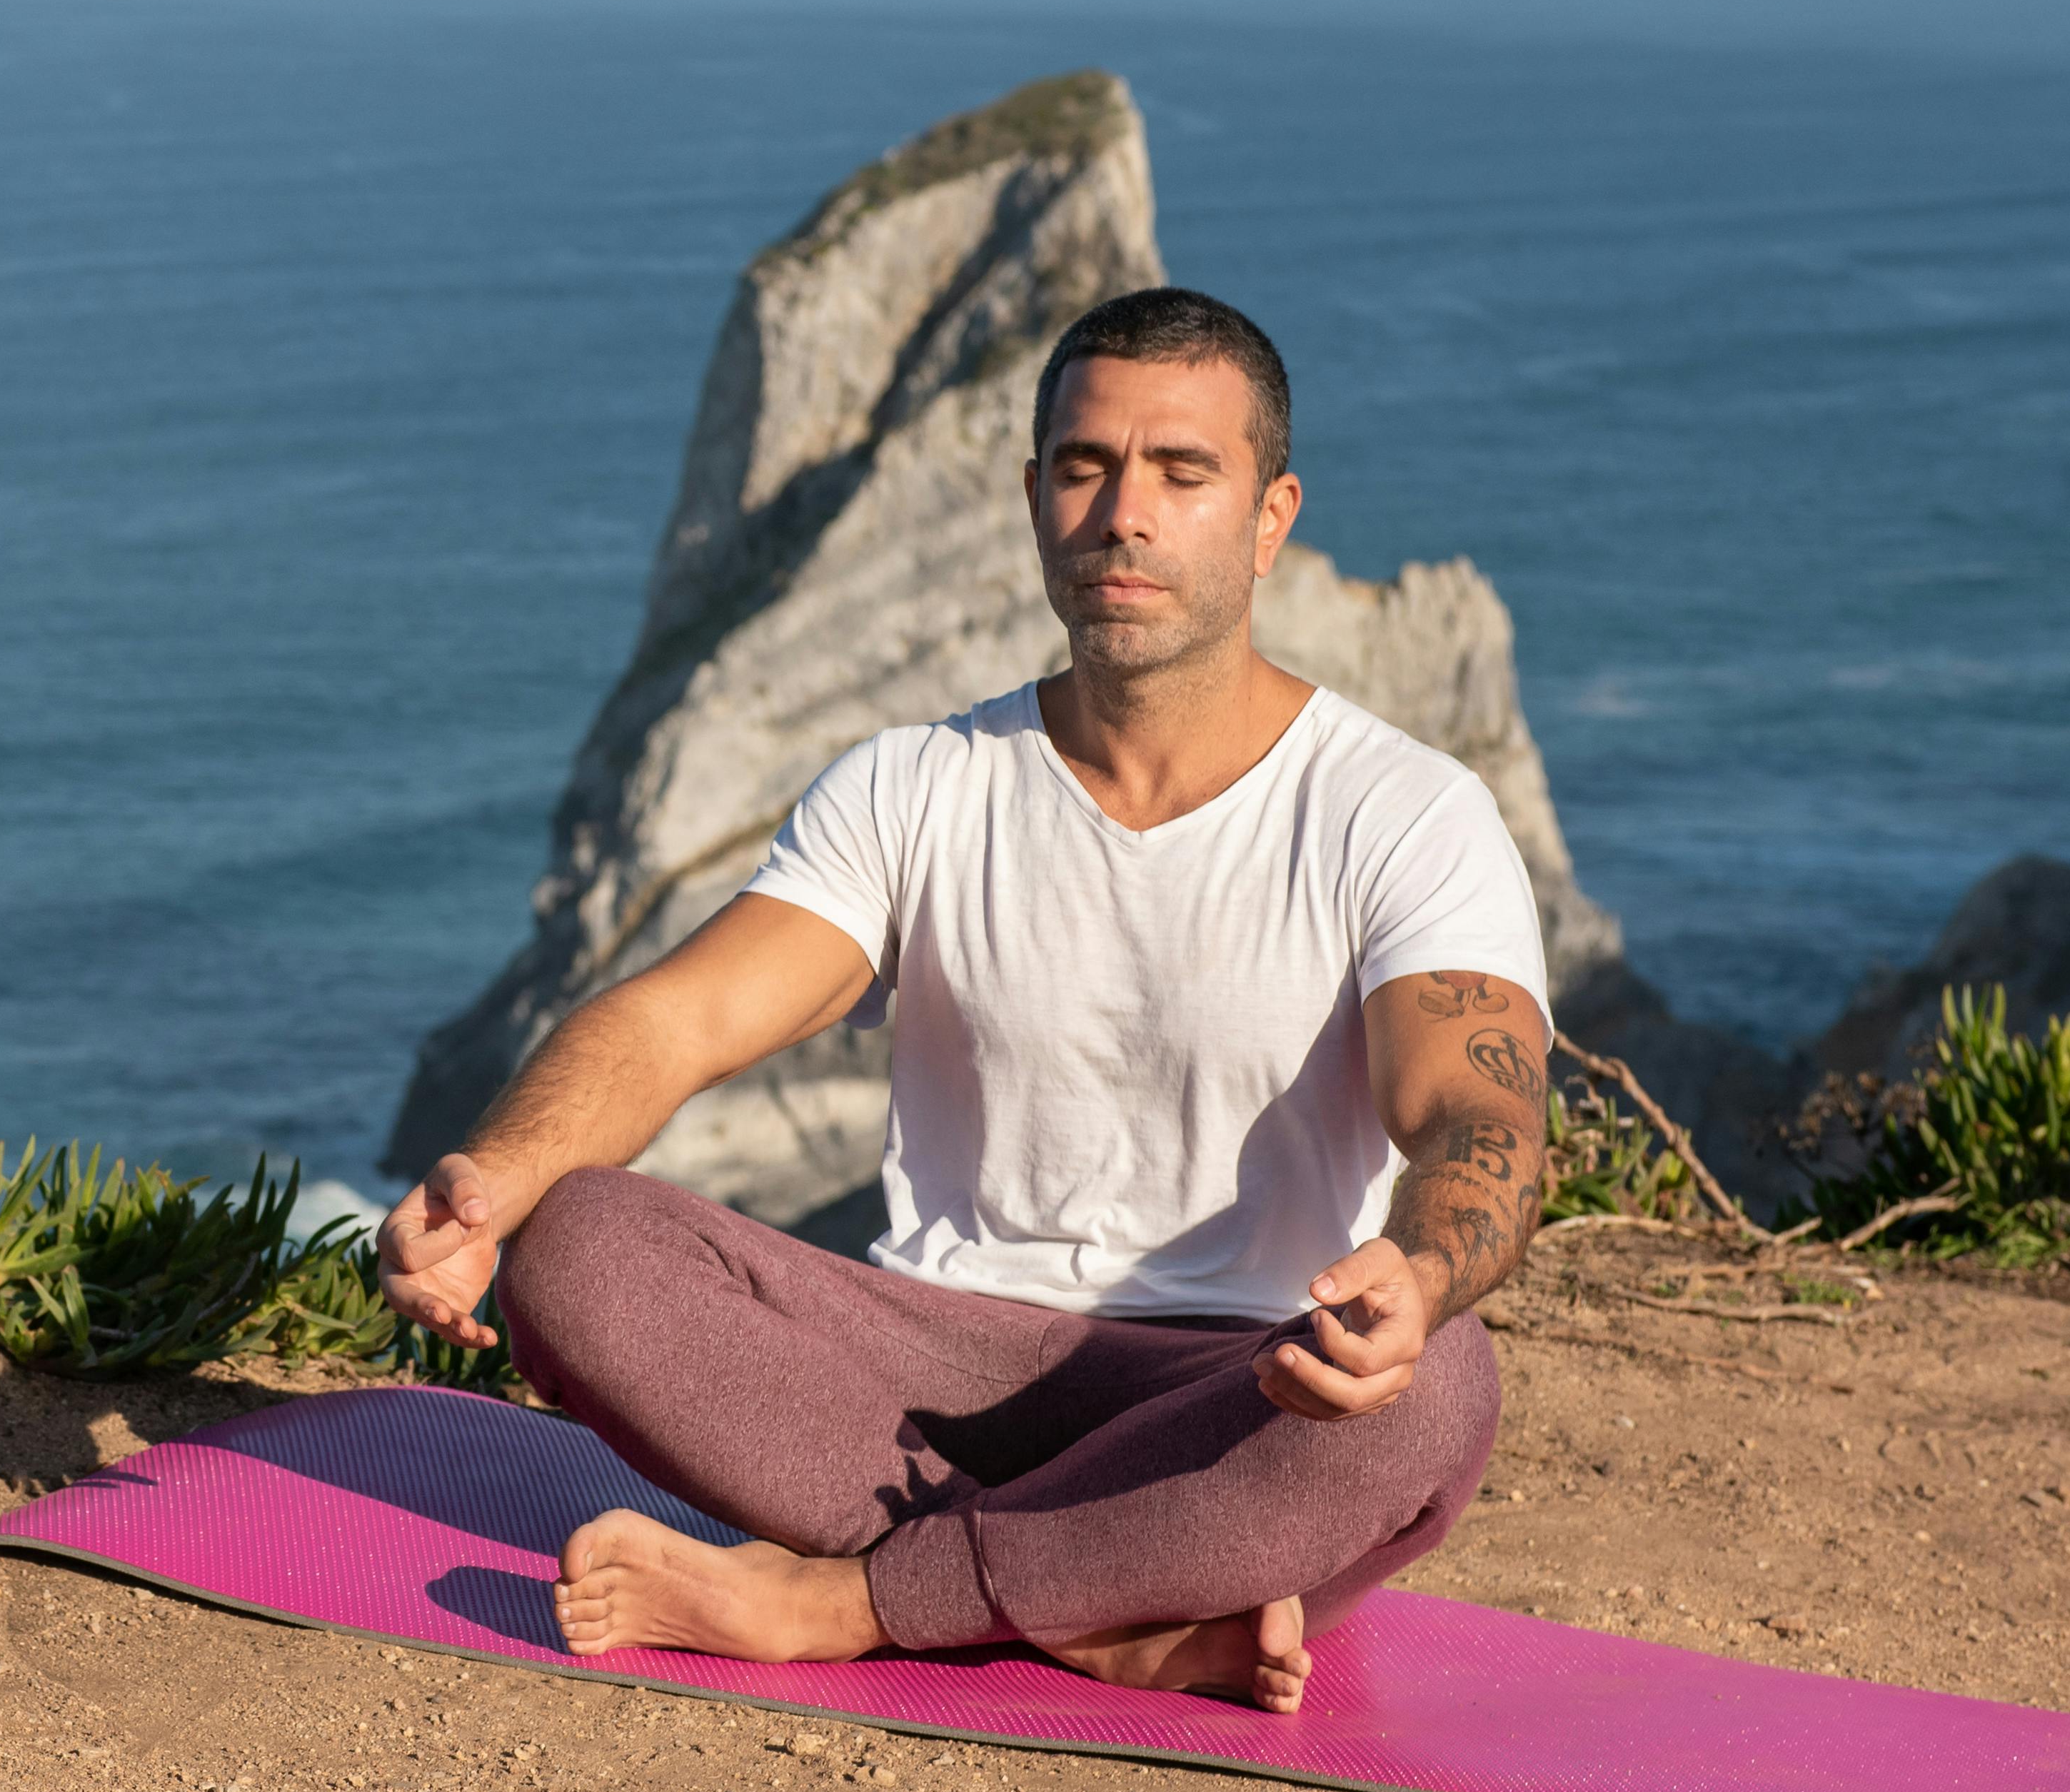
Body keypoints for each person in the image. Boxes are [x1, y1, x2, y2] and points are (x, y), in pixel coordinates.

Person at [376, 288, 1547, 1713]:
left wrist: (1415, 1276)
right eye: (1084, 467)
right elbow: (676, 1021)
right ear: (1034, 497)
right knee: (579, 1245)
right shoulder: (916, 786)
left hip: (1239, 1392)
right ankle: (1096, 1603)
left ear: (1268, 517)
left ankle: (843, 1604)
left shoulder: (1403, 812)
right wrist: (492, 1185)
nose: (1123, 515)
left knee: (1434, 1389)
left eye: (1182, 475)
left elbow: (1476, 1112)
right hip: (924, 1383)